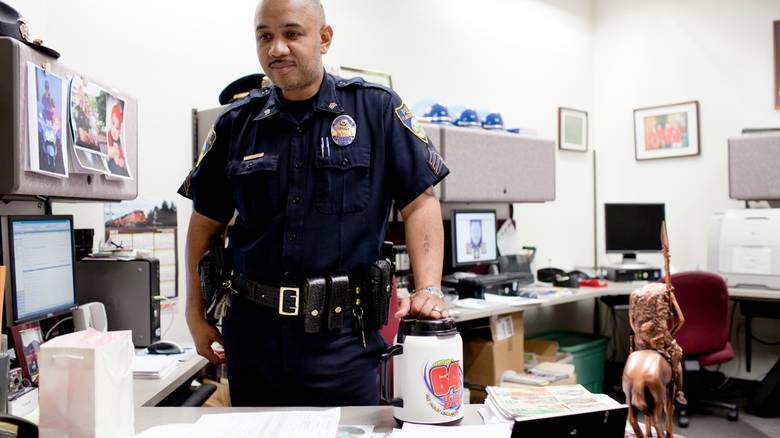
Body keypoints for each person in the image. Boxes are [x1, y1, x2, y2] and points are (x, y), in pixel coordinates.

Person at [179, 0, 451, 407]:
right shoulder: (236, 123)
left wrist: (429, 288)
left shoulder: (375, 109)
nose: (276, 49)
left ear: (324, 38)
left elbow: (420, 204)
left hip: (342, 340)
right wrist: (195, 312)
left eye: (291, 34)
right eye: (265, 36)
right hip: (253, 336)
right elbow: (205, 223)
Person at [107, 102, 129, 176]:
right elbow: (109, 150)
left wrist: (121, 159)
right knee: (112, 164)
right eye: (113, 123)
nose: (113, 129)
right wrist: (116, 153)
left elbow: (122, 154)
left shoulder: (119, 140)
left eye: (117, 128)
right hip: (111, 162)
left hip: (118, 164)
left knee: (123, 172)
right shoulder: (109, 134)